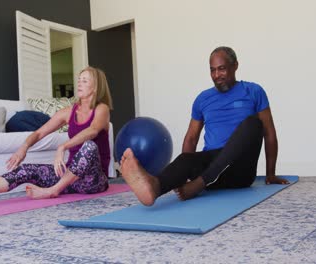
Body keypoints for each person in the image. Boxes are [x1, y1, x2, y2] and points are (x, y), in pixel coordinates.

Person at [120, 46, 289, 206]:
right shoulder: (203, 98)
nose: (217, 75)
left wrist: (271, 174)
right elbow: (192, 138)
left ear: (235, 66)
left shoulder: (253, 91)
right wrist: (182, 175)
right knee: (186, 158)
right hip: (213, 166)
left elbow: (269, 133)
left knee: (253, 124)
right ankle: (154, 187)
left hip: (240, 171)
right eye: (212, 70)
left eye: (221, 68)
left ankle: (200, 183)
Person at [0, 66, 113, 203]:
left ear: (96, 86)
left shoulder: (102, 109)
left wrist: (63, 146)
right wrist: (23, 147)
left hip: (94, 180)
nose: (79, 84)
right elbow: (39, 133)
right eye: (79, 80)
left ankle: (53, 191)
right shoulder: (67, 112)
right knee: (26, 169)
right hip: (70, 179)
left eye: (84, 80)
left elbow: (92, 131)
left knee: (89, 146)